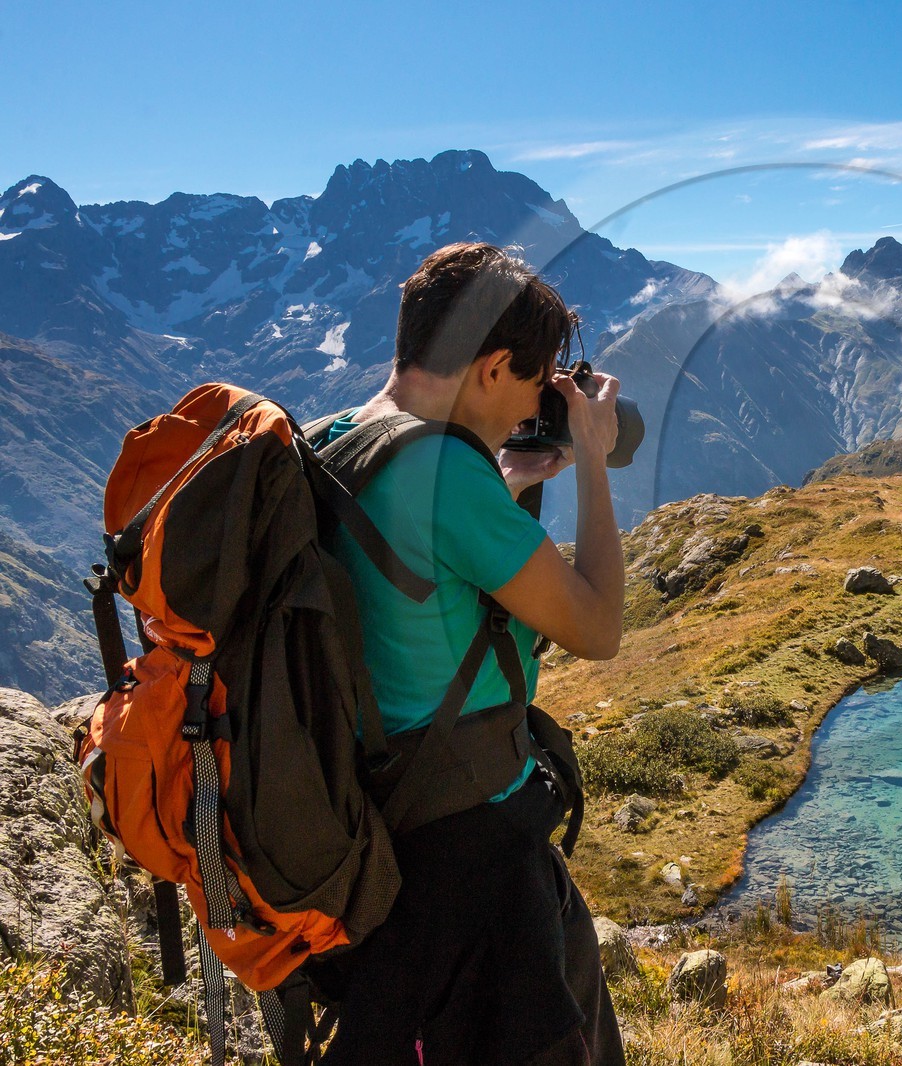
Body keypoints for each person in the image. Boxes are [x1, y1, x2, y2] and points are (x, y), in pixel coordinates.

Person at [314, 242, 626, 1066]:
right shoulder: (448, 472)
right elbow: (598, 628)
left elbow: (415, 594)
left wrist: (512, 484)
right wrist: (591, 457)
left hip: (379, 834)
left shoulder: (335, 440)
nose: (534, 408)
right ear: (491, 367)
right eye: (534, 384)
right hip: (474, 854)